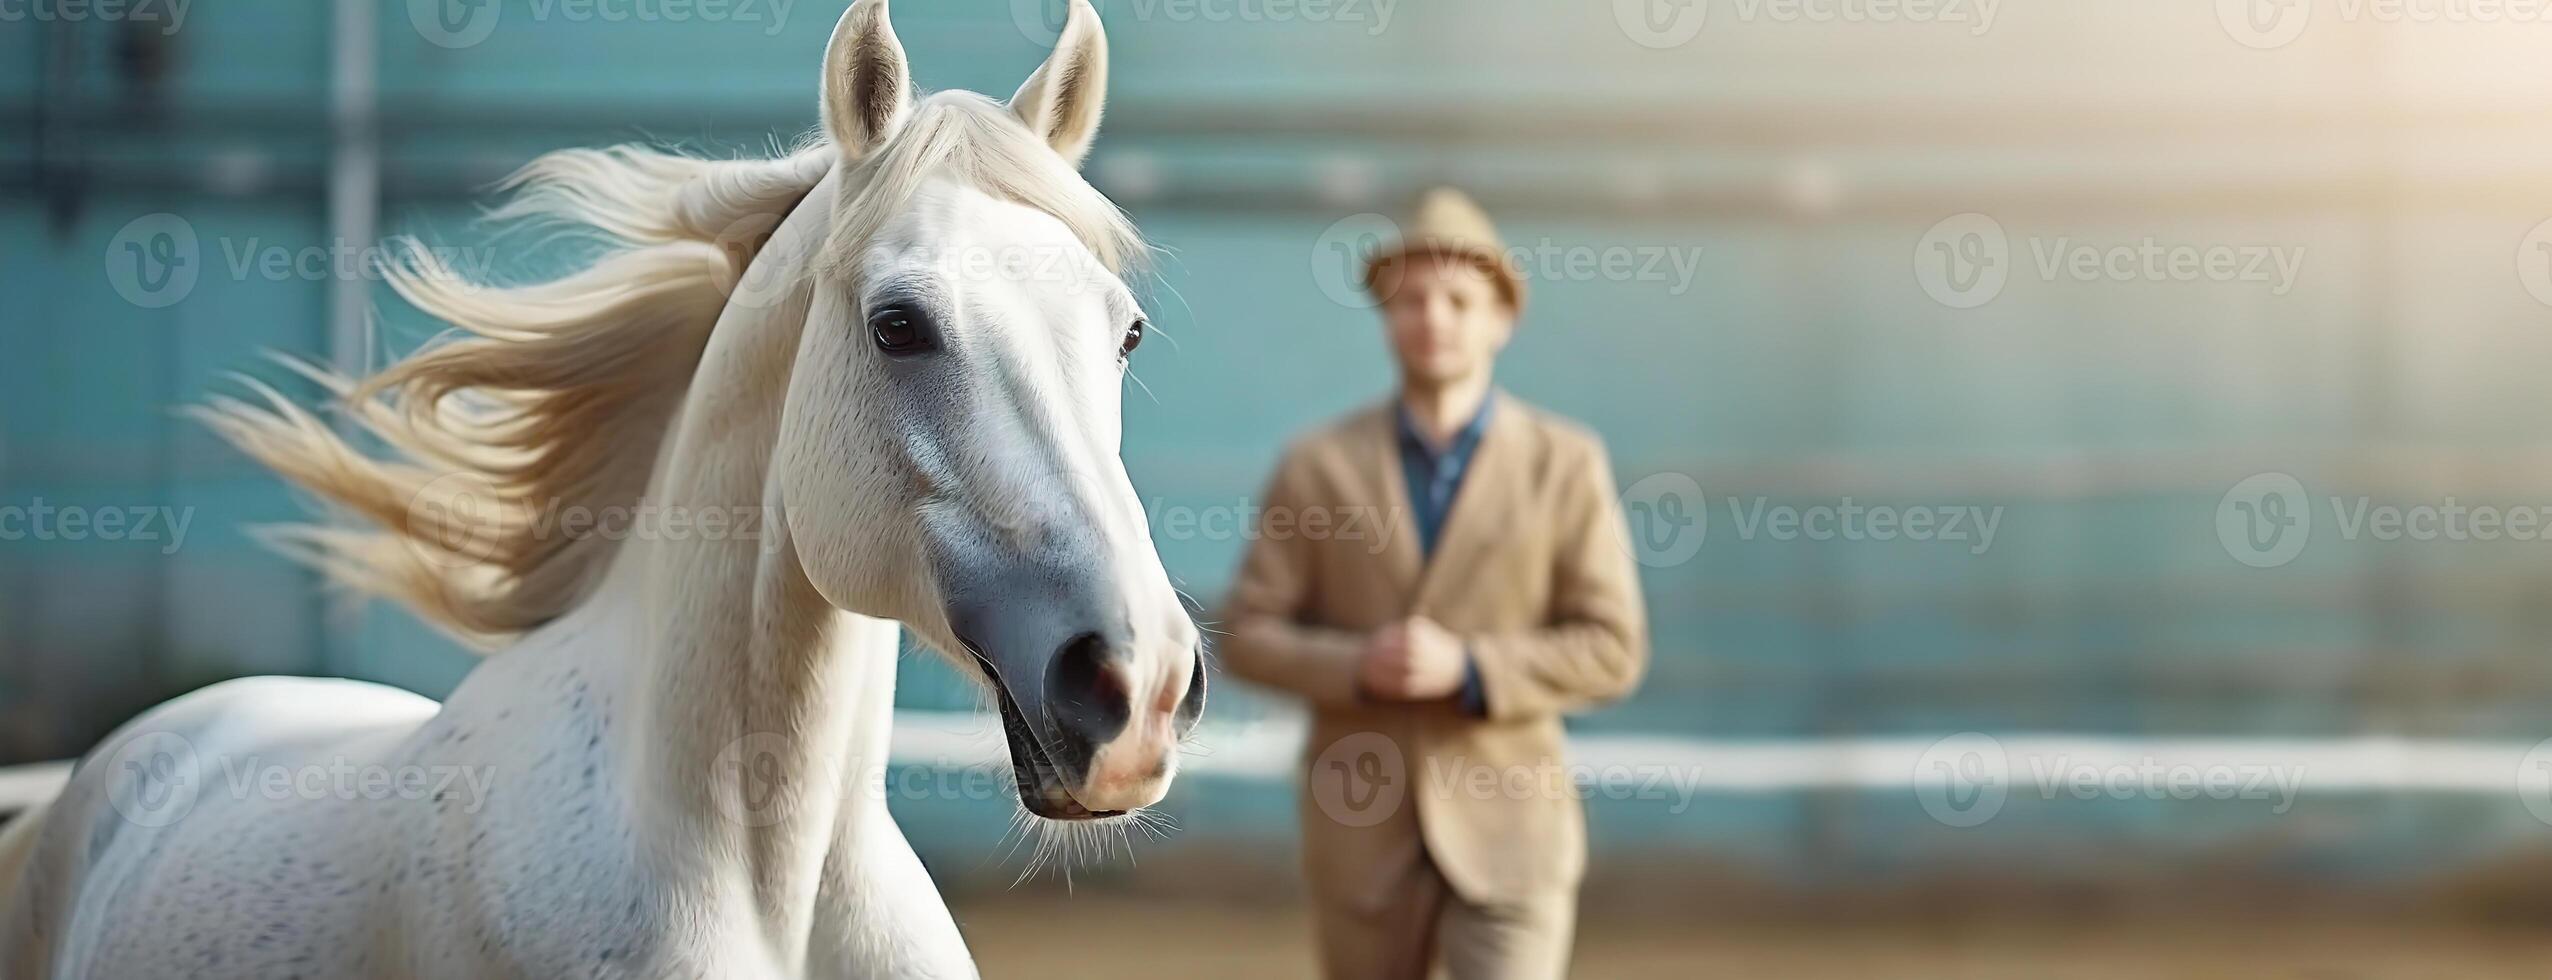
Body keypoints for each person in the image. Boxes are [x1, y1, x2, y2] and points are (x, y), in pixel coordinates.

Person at [1221, 188, 1651, 980]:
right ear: (1387, 318)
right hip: (1361, 838)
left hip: (1513, 839)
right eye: (1411, 299)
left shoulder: (1566, 462)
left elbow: (1613, 647)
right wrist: (1356, 667)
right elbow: (1246, 635)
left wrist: (1473, 670)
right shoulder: (1317, 465)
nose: (1434, 317)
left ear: (1502, 318)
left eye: (1459, 299)